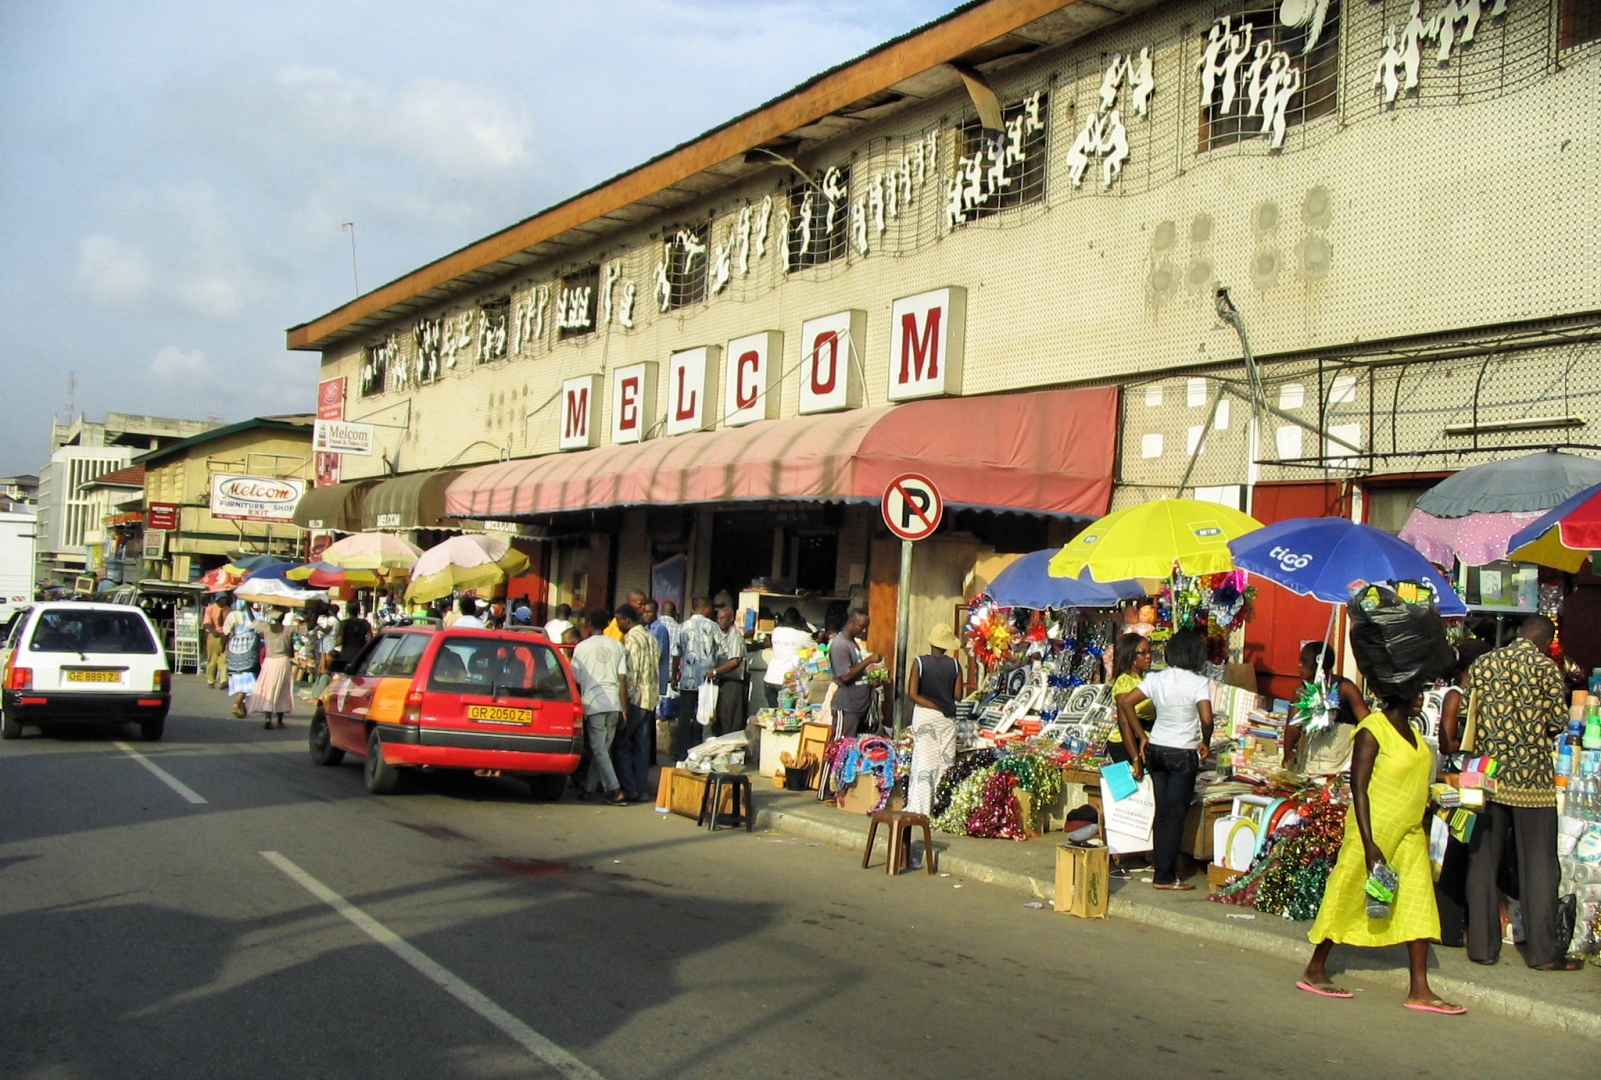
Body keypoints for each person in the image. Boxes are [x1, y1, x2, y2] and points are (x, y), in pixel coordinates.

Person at [1299, 690, 1464, 1013]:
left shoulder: (1416, 736)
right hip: (1373, 829)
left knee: (1418, 899)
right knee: (1348, 892)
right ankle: (1315, 967)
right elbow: (1358, 787)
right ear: (1394, 692)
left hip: (1411, 831)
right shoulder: (1373, 728)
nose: (1420, 699)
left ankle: (1420, 988)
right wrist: (1369, 842)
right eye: (1414, 693)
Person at [1462, 615, 1582, 970]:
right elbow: (1557, 722)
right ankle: (1543, 953)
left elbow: (1471, 713)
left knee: (1482, 860)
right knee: (1539, 863)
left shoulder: (1483, 664)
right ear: (1545, 640)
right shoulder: (1545, 668)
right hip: (1531, 780)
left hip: (1487, 775)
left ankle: (1482, 947)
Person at [1119, 629, 1213, 890]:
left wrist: (1142, 737)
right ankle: (1165, 876)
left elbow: (1126, 703)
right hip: (1183, 750)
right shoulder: (1198, 682)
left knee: (1161, 813)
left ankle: (1160, 869)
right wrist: (1206, 739)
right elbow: (1206, 718)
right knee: (1175, 815)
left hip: (1157, 748)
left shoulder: (1157, 678)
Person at [1434, 636, 1493, 947]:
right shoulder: (1456, 696)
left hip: (1476, 776)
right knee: (1456, 847)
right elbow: (1447, 743)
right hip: (1458, 777)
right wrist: (1469, 744)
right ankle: (1448, 925)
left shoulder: (1481, 695)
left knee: (1470, 848)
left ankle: (1460, 923)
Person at [1281, 642, 1371, 774]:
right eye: (1300, 661)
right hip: (1311, 762)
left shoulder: (1345, 688)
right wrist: (1287, 752)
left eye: (1305, 662)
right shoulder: (1301, 690)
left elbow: (1366, 721)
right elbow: (1293, 726)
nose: (1300, 666)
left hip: (1340, 761)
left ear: (1320, 663)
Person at [570, 609, 629, 805]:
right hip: (614, 702)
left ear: (589, 625)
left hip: (594, 702)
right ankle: (588, 788)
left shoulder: (581, 647)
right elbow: (622, 679)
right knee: (602, 749)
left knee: (599, 749)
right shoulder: (618, 646)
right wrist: (624, 707)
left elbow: (575, 678)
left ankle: (615, 790)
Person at [906, 624, 963, 815]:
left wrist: (933, 705)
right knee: (945, 762)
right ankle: (941, 808)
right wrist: (942, 703)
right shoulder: (955, 665)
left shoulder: (919, 663)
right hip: (947, 718)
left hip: (925, 715)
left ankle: (921, 808)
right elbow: (958, 695)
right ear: (947, 646)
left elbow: (912, 694)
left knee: (924, 762)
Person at [616, 604, 659, 802]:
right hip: (650, 699)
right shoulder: (651, 638)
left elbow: (630, 674)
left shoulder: (632, 639)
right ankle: (641, 790)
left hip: (635, 699)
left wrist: (624, 703)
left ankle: (630, 788)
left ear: (627, 620)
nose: (618, 625)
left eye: (619, 621)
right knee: (642, 747)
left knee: (623, 744)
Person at [671, 596, 720, 756]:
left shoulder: (683, 626)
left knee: (684, 715)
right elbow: (723, 650)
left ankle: (681, 752)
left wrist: (674, 676)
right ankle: (698, 751)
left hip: (687, 678)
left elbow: (676, 654)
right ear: (706, 608)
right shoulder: (713, 626)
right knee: (703, 715)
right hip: (706, 680)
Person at [830, 608, 882, 739]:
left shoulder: (852, 643)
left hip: (859, 707)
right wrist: (868, 660)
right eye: (861, 626)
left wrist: (871, 678)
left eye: (866, 627)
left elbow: (856, 671)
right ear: (851, 623)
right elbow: (845, 676)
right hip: (848, 707)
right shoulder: (840, 645)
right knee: (841, 749)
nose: (864, 631)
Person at [1108, 633, 1156, 765]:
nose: (1148, 656)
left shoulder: (1141, 680)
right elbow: (1124, 722)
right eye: (1142, 653)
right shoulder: (1125, 681)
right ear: (1130, 657)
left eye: (1149, 651)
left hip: (1143, 740)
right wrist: (1135, 758)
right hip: (1127, 745)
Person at [248, 606, 299, 729]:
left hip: (269, 662)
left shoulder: (266, 628)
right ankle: (280, 721)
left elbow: (252, 620)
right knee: (282, 690)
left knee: (268, 689)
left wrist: (247, 606)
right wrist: (316, 612)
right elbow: (309, 627)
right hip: (283, 662)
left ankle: (268, 718)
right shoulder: (288, 629)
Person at [710, 605, 748, 738]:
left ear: (731, 619)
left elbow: (734, 661)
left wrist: (715, 672)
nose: (719, 620)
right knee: (723, 716)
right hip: (725, 680)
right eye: (718, 618)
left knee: (732, 718)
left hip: (734, 682)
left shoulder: (735, 636)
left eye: (723, 618)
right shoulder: (724, 635)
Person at [223, 600, 261, 719]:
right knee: (248, 677)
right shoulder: (257, 616)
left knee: (238, 676)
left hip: (234, 647)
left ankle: (242, 707)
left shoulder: (232, 615)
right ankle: (238, 703)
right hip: (249, 648)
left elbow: (226, 632)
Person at [764, 608, 814, 696]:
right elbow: (816, 649)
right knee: (790, 710)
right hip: (788, 682)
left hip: (770, 679)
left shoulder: (776, 631)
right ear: (799, 620)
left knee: (773, 709)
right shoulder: (804, 636)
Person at [202, 593, 231, 689]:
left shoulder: (228, 610)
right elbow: (206, 623)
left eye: (225, 599)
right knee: (212, 659)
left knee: (223, 659)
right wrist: (213, 631)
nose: (224, 601)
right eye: (222, 599)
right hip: (213, 636)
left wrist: (226, 634)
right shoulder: (210, 609)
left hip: (224, 635)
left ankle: (223, 680)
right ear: (218, 600)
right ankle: (210, 680)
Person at [334, 600, 371, 672]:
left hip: (346, 655)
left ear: (347, 610)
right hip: (360, 655)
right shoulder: (365, 623)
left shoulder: (344, 623)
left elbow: (339, 641)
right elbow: (370, 640)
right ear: (359, 610)